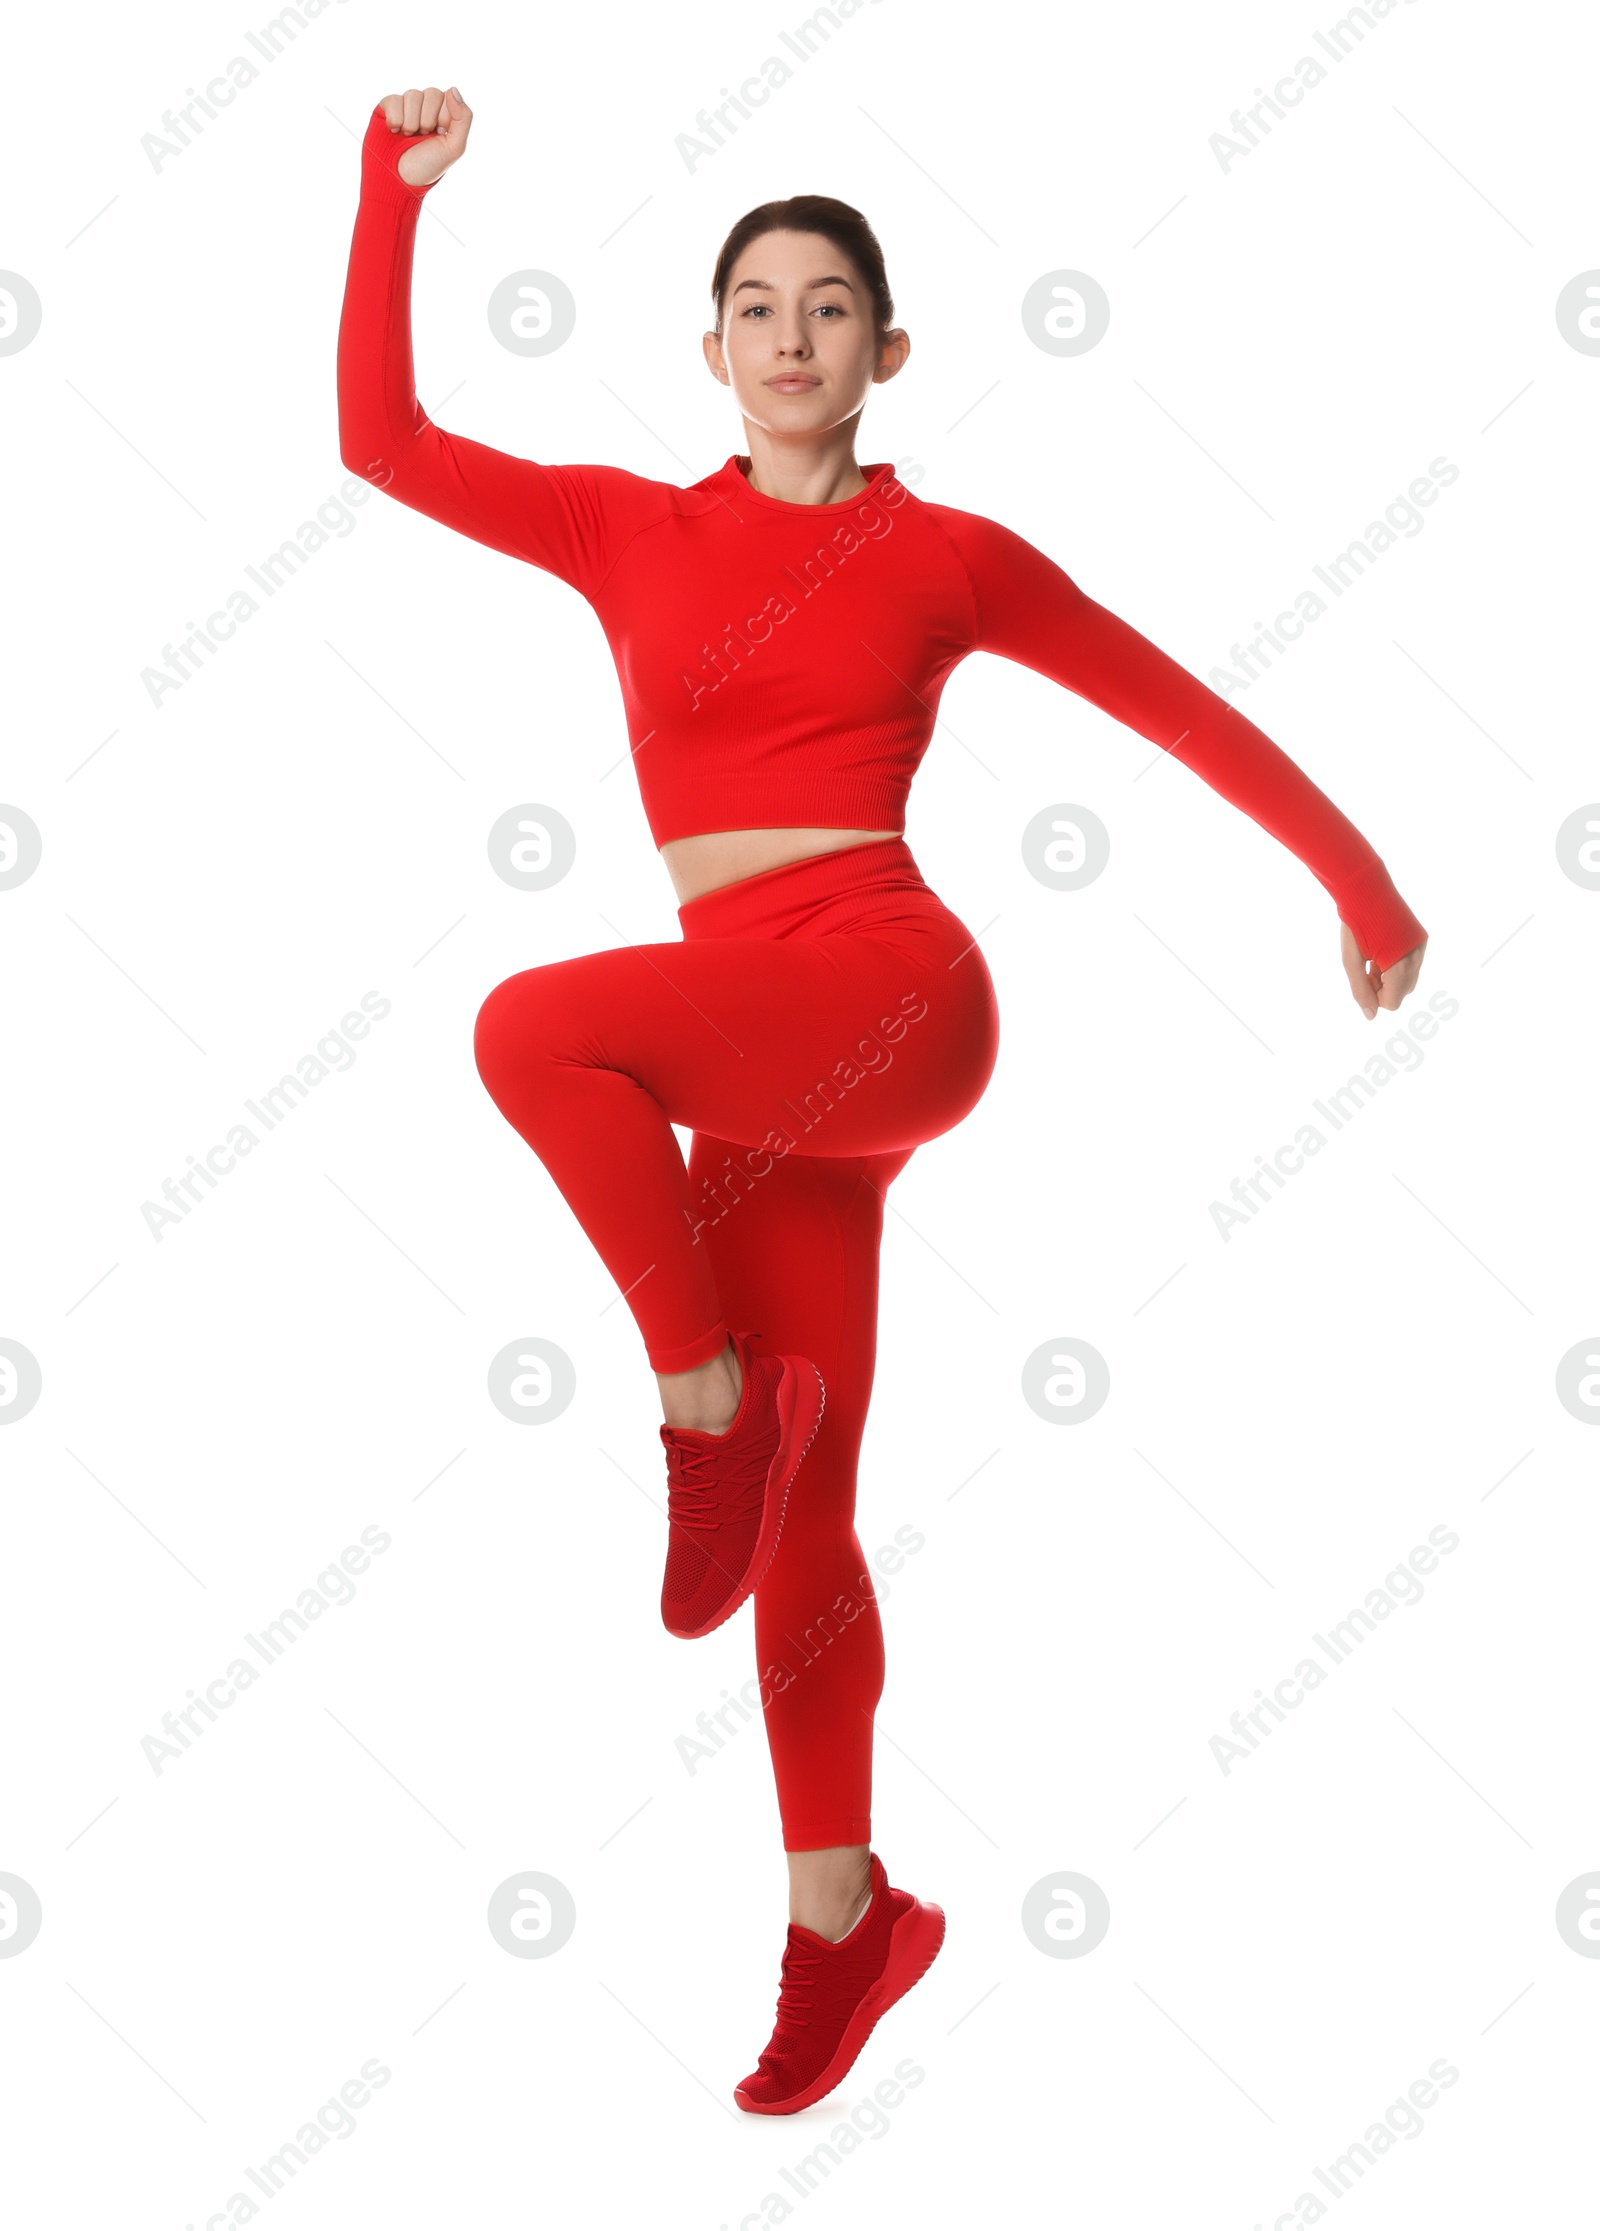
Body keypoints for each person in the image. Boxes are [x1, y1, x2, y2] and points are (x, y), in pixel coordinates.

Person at [337, 84, 1428, 2115]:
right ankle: (846, 1923)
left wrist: (1354, 877)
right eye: (752, 304)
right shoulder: (624, 528)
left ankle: (693, 1405)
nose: (787, 336)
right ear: (709, 349)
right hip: (757, 1078)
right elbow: (381, 447)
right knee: (803, 1527)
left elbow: (1167, 698)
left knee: (525, 1030)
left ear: (884, 352)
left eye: (828, 306)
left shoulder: (945, 555)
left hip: (889, 996)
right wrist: (388, 204)